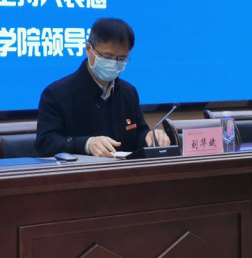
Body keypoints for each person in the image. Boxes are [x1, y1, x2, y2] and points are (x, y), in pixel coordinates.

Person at [34, 17, 172, 158]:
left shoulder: (129, 92)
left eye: (121, 59)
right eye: (107, 57)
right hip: (81, 171)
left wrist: (150, 137)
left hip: (125, 170)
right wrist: (86, 144)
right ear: (89, 49)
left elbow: (138, 135)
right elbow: (45, 143)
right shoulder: (57, 94)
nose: (114, 63)